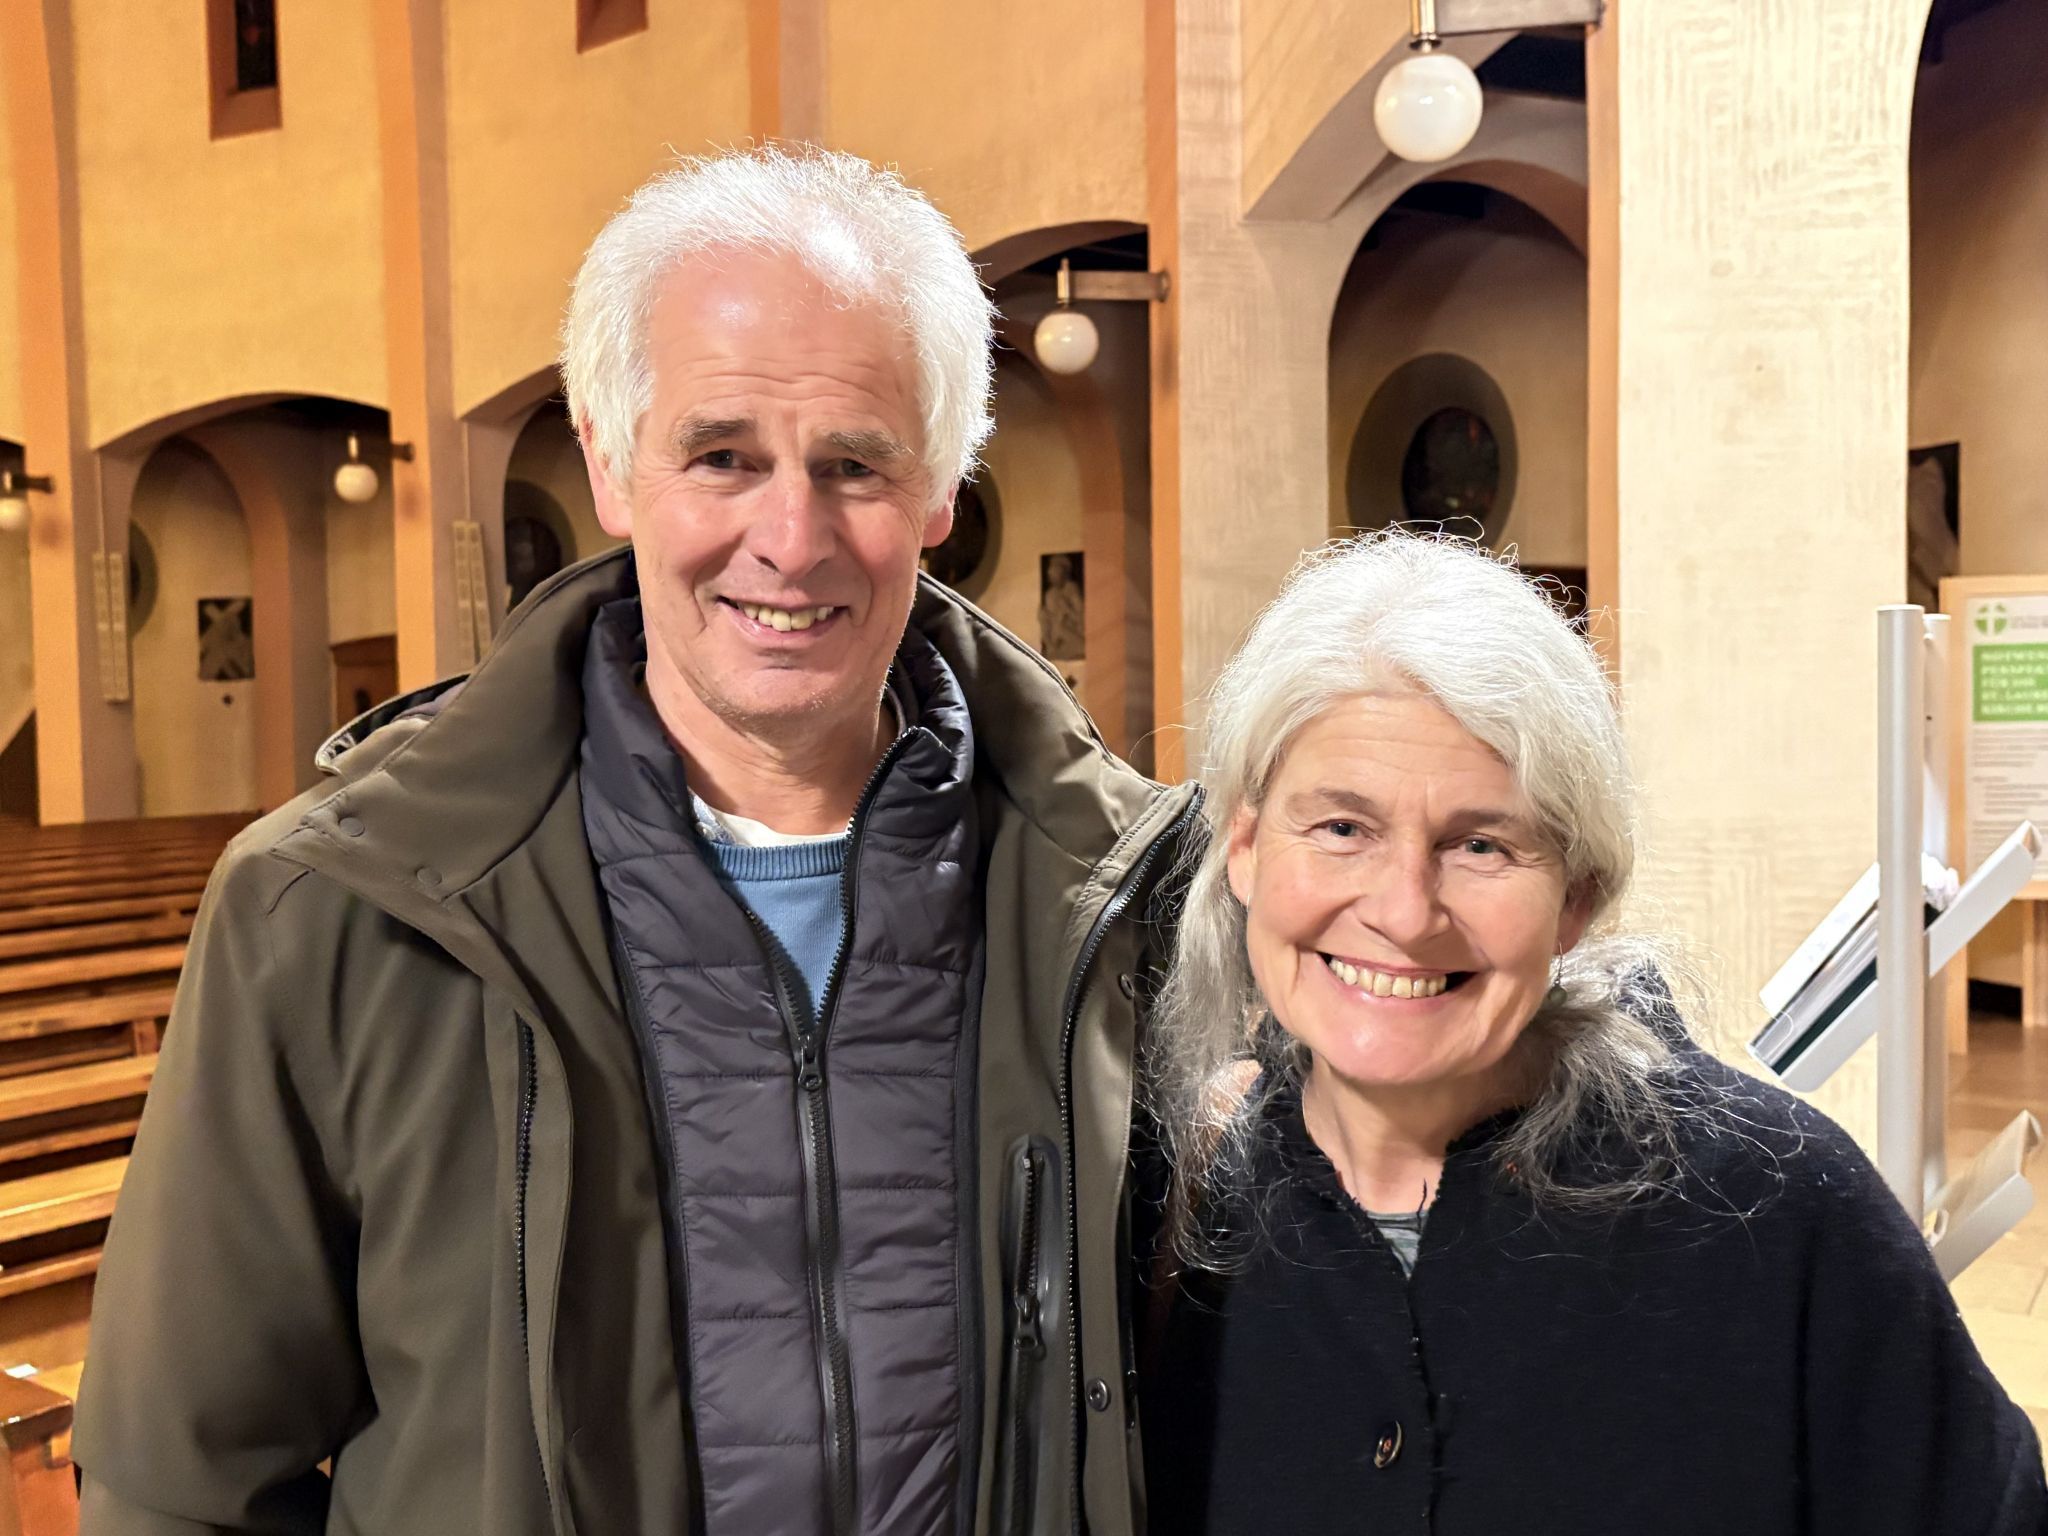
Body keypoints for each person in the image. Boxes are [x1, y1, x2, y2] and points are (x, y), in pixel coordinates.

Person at [74, 147, 1198, 1536]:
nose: (790, 538)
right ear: (609, 461)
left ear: (938, 496)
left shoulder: (1116, 895)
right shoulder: (334, 909)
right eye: (720, 457)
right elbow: (178, 1482)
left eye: (855, 465)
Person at [1140, 533, 2047, 1536]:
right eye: (1341, 828)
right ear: (1243, 847)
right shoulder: (1173, 1236)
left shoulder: (1777, 1213)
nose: (1404, 911)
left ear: (1574, 898)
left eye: (1480, 843)